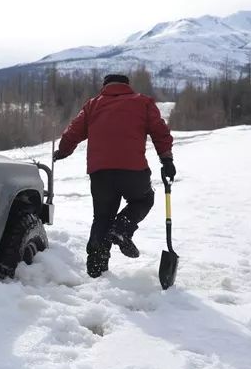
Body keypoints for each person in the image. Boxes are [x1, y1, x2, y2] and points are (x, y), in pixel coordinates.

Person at [52, 74, 175, 278]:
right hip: (133, 171)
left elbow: (73, 132)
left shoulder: (93, 105)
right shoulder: (143, 103)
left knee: (102, 217)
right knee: (144, 198)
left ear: (105, 86)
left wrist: (62, 152)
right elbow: (160, 132)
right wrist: (167, 160)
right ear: (127, 85)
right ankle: (122, 228)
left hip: (100, 174)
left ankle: (96, 269)